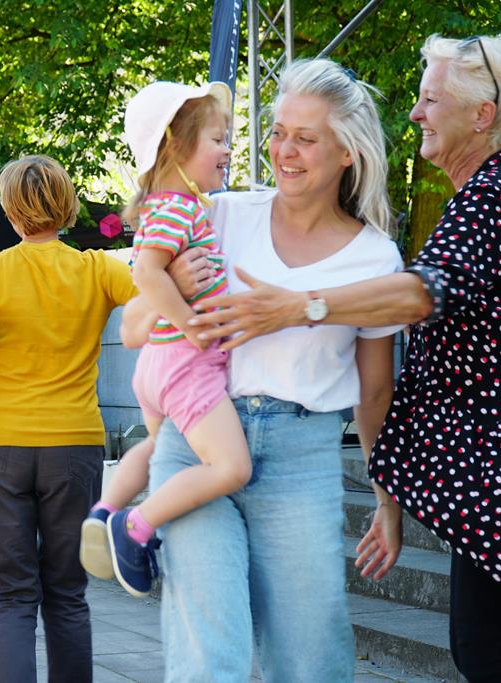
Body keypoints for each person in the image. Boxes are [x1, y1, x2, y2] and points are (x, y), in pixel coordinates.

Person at [184, 34, 501, 682]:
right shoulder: (490, 194)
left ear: (481, 116)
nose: (415, 113)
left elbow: (417, 295)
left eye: (431, 99)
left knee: (489, 649)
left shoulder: (494, 196)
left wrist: (299, 306)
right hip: (497, 470)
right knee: (485, 645)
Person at [120, 58, 403, 681]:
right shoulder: (219, 213)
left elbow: (376, 390)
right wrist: (168, 291)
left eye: (306, 138)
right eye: (278, 132)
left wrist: (388, 501)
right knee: (207, 653)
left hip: (301, 458)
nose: (285, 151)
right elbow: (134, 328)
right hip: (199, 441)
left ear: (347, 153)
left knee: (310, 656)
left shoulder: (377, 255)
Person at [0, 154, 137, 683]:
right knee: (67, 595)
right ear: (67, 206)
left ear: (12, 212)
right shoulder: (100, 268)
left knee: (13, 595)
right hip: (72, 445)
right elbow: (160, 305)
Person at [79, 81, 251, 599]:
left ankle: (105, 508)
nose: (227, 150)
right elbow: (149, 273)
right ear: (177, 146)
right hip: (185, 364)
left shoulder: (170, 204)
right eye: (218, 140)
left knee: (158, 447)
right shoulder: (178, 206)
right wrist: (193, 323)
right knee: (232, 467)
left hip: (160, 364)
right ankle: (135, 527)